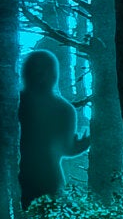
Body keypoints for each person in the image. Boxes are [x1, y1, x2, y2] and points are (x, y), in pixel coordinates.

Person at [18, 49, 89, 207]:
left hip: (25, 178)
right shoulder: (63, 108)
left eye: (43, 70)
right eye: (36, 70)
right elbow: (67, 149)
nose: (40, 75)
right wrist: (84, 144)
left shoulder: (13, 103)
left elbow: (65, 149)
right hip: (46, 178)